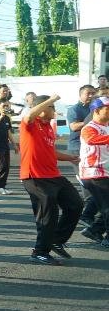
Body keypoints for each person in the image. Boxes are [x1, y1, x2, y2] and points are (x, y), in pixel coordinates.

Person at [20, 95, 82, 265]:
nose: (54, 110)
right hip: (34, 177)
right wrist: (51, 99)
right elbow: (30, 114)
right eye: (51, 107)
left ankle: (56, 240)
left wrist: (70, 157)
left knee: (76, 204)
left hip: (54, 175)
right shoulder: (30, 124)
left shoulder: (48, 127)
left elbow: (50, 151)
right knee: (49, 213)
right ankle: (40, 251)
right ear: (42, 108)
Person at [78, 96, 109, 247]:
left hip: (105, 172)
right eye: (107, 108)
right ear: (96, 110)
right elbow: (91, 139)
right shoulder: (89, 127)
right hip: (94, 173)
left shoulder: (107, 126)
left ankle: (95, 230)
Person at [67, 85, 98, 225]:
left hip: (92, 148)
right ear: (81, 94)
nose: (91, 96)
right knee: (85, 180)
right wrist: (93, 118)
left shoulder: (95, 108)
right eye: (88, 93)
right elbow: (73, 126)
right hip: (76, 148)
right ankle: (86, 215)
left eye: (93, 93)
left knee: (95, 179)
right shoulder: (74, 109)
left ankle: (90, 212)